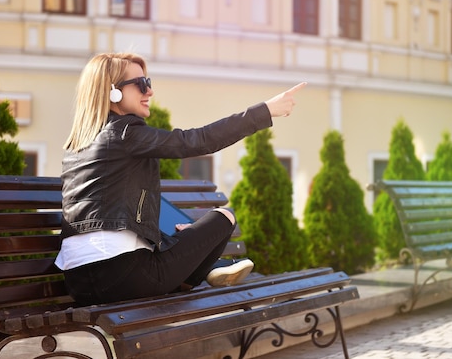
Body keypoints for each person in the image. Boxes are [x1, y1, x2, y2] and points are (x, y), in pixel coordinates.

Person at [55, 52, 306, 306]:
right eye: (142, 84)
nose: (149, 92)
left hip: (77, 283)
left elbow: (108, 213)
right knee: (224, 217)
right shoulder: (125, 132)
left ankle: (204, 270)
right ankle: (204, 272)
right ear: (113, 92)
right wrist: (266, 111)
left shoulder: (77, 146)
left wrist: (169, 239)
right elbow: (197, 140)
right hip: (123, 275)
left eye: (149, 82)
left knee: (179, 239)